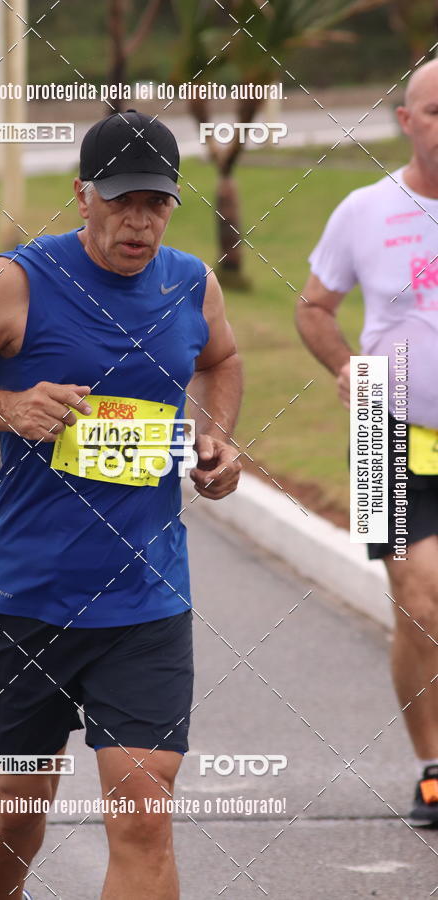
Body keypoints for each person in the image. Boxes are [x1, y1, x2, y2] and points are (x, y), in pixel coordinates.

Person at [0, 110, 243, 900]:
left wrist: (217, 442)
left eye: (156, 202)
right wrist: (9, 407)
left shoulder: (192, 281)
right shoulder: (17, 281)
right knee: (22, 804)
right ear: (83, 194)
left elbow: (221, 359)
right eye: (122, 200)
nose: (139, 221)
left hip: (146, 602)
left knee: (143, 816)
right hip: (31, 600)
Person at [296, 60, 438, 822]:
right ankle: (433, 766)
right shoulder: (363, 210)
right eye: (435, 111)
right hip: (386, 426)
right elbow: (315, 307)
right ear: (406, 121)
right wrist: (346, 366)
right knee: (418, 601)